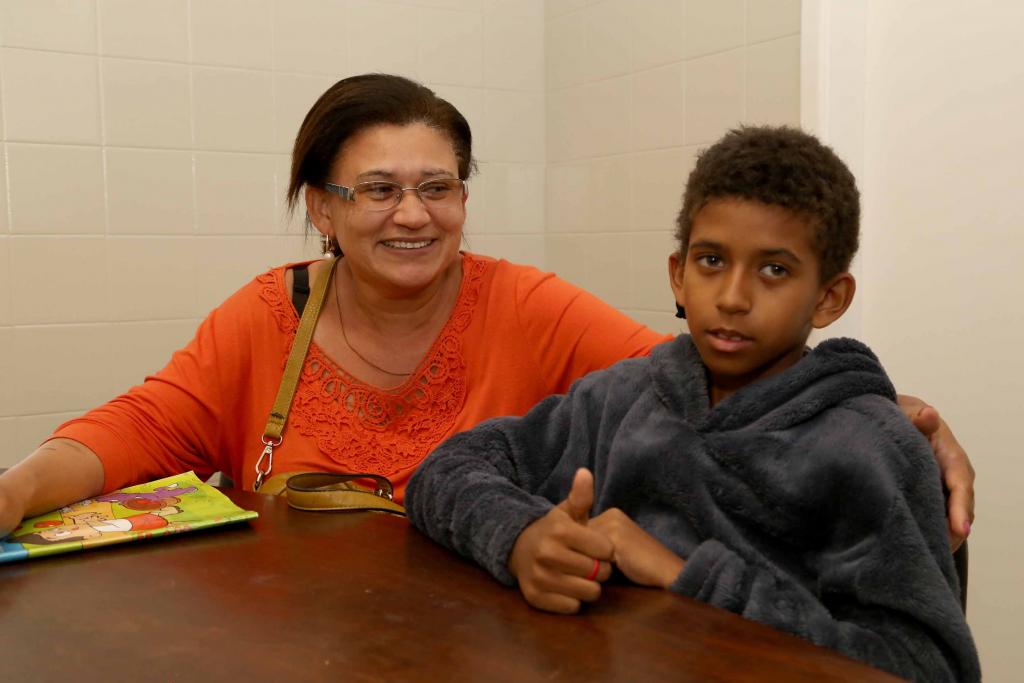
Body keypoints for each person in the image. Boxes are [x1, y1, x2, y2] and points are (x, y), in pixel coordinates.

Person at [0, 74, 972, 550]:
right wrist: (18, 487)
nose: (414, 214)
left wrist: (875, 414)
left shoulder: (528, 305)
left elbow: (705, 378)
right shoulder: (266, 316)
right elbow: (139, 427)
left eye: (439, 186)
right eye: (378, 190)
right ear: (321, 209)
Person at [405, 126, 980, 681]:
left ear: (829, 297)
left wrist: (684, 576)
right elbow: (446, 470)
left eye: (774, 270)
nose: (732, 297)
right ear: (679, 276)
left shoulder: (867, 447)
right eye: (711, 261)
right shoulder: (620, 398)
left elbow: (927, 666)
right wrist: (522, 537)